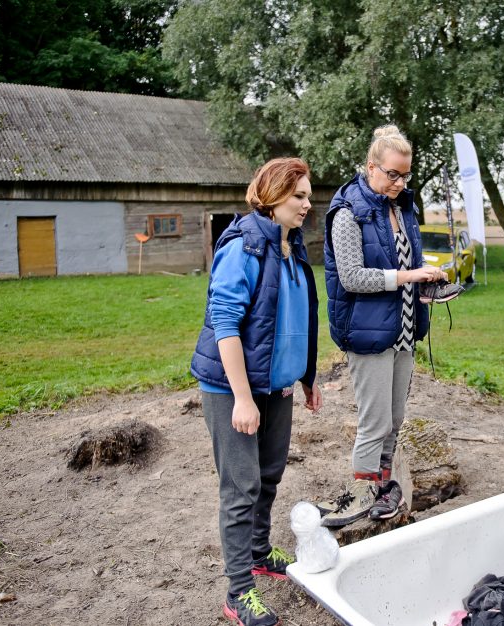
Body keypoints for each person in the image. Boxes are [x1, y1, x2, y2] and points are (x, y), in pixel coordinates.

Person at [191, 157, 323, 626]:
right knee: (240, 487)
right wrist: (242, 398)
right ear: (271, 197)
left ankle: (261, 553)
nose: (308, 204)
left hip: (277, 385)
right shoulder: (243, 246)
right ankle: (238, 592)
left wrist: (305, 376)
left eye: (308, 195)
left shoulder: (292, 247)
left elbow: (293, 319)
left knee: (268, 476)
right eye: (299, 196)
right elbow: (224, 323)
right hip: (233, 388)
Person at [320, 124, 445, 526]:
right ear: (371, 167)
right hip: (367, 332)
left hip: (405, 328)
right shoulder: (347, 212)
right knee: (374, 422)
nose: (399, 182)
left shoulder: (402, 206)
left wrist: (430, 282)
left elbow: (406, 264)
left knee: (394, 419)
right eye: (392, 174)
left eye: (406, 175)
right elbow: (352, 277)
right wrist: (409, 277)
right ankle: (360, 493)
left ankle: (383, 488)